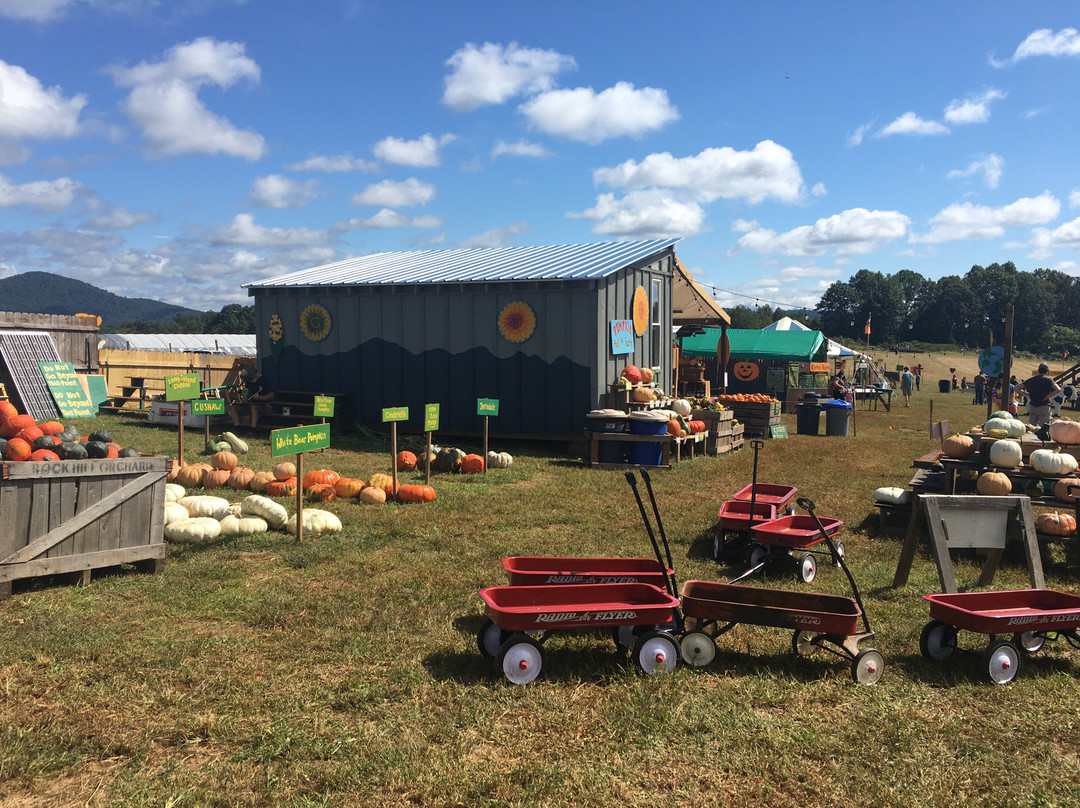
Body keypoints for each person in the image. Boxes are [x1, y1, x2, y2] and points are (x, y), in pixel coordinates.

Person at [229, 366, 275, 430]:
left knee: (254, 406)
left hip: (264, 405)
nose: (249, 380)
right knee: (232, 406)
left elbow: (271, 396)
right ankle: (237, 427)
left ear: (254, 374)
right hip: (250, 404)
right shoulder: (248, 382)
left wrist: (259, 397)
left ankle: (253, 428)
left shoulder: (266, 380)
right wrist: (243, 397)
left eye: (249, 378)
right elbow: (246, 392)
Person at [1017, 363, 1061, 428]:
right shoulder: (1049, 380)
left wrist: (1027, 394)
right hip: (1044, 406)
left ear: (1038, 370)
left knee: (1031, 427)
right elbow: (1058, 389)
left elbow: (1016, 388)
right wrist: (1049, 396)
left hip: (1032, 406)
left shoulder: (1031, 380)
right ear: (1047, 371)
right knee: (1044, 428)